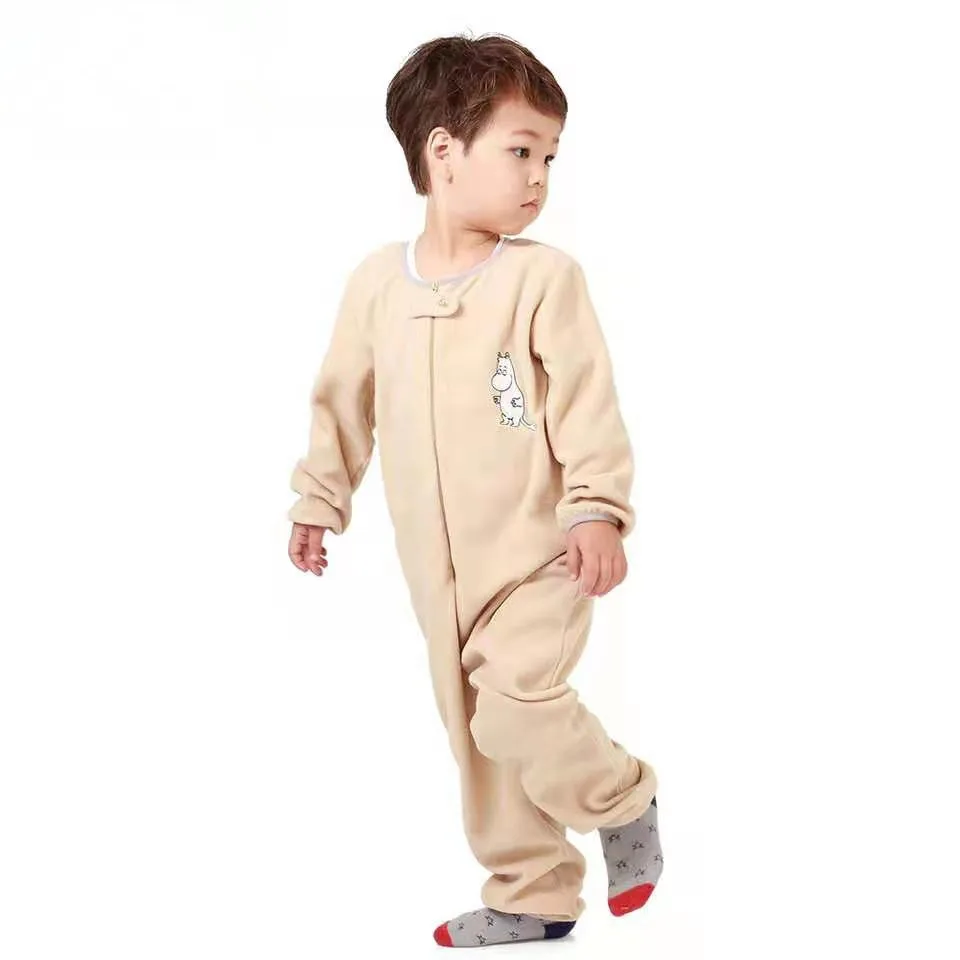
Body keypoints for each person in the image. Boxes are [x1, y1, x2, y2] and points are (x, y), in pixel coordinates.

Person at [286, 32, 663, 949]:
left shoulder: (541, 279)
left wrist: (597, 508)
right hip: (437, 575)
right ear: (443, 151)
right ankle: (534, 893)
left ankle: (621, 797)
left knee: (517, 706)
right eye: (521, 150)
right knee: (476, 733)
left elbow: (585, 401)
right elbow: (343, 401)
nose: (539, 178)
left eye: (550, 158)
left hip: (540, 556)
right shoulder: (377, 285)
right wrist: (319, 498)